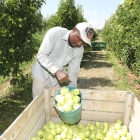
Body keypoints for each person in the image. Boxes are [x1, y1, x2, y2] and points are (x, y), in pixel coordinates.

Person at [32, 22, 94, 99]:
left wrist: (72, 89)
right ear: (74, 30)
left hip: (56, 80)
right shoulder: (55, 33)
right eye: (79, 39)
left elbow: (74, 71)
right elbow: (41, 55)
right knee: (38, 104)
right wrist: (57, 71)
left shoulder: (79, 50)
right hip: (40, 74)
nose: (79, 43)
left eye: (83, 42)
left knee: (56, 103)